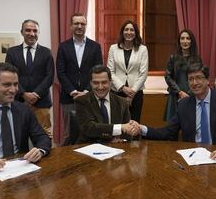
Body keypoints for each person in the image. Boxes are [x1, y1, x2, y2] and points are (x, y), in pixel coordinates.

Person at [136, 63, 216, 162]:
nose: (194, 83)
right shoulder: (184, 105)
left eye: (198, 78)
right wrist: (141, 129)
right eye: (191, 79)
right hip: (193, 159)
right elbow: (167, 132)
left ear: (208, 80)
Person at [57, 13, 103, 145]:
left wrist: (87, 91)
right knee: (69, 133)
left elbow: (98, 72)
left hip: (90, 97)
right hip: (68, 97)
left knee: (91, 131)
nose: (79, 26)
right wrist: (72, 91)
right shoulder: (63, 46)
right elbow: (60, 72)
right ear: (71, 26)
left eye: (82, 24)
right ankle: (70, 162)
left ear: (85, 26)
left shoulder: (95, 47)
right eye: (76, 23)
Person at [5, 19, 54, 138]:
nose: (32, 33)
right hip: (18, 101)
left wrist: (36, 94)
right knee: (18, 134)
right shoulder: (12, 52)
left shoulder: (46, 52)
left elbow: (50, 76)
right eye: (28, 30)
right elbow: (9, 76)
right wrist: (23, 94)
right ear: (21, 32)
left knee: (45, 134)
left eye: (35, 31)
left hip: (42, 102)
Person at [75, 65, 140, 143]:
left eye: (104, 82)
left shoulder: (122, 102)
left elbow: (127, 133)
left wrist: (130, 132)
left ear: (110, 82)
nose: (100, 87)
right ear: (91, 83)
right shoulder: (82, 101)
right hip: (88, 148)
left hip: (115, 150)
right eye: (96, 83)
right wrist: (119, 128)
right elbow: (89, 128)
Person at [107, 20, 148, 123]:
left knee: (134, 123)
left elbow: (143, 74)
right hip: (117, 92)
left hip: (136, 93)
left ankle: (134, 140)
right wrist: (122, 87)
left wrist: (132, 93)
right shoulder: (113, 48)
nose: (129, 32)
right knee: (117, 123)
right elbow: (110, 71)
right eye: (126, 29)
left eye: (132, 30)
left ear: (136, 33)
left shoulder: (142, 49)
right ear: (122, 32)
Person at [164, 29, 203, 121]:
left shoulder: (197, 58)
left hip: (192, 95)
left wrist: (188, 93)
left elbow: (199, 77)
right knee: (173, 127)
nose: (185, 41)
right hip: (175, 95)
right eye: (182, 38)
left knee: (190, 125)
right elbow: (168, 76)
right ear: (179, 41)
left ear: (191, 41)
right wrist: (179, 92)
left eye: (188, 38)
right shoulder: (173, 57)